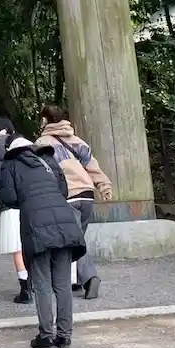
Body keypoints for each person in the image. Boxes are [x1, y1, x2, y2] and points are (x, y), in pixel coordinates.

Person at [0, 125, 85, 348]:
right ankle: (64, 336)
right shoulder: (47, 158)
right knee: (62, 283)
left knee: (42, 283)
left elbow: (8, 197)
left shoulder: (11, 163)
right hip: (64, 222)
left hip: (37, 224)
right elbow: (63, 189)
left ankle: (46, 336)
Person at [36, 103, 113, 301]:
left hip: (67, 196)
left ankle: (90, 277)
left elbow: (43, 173)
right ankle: (77, 280)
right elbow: (92, 166)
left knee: (72, 241)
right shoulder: (78, 142)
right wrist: (104, 186)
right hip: (87, 195)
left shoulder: (42, 144)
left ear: (44, 120)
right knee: (77, 238)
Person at [0, 116, 32, 302]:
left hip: (9, 204)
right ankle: (40, 282)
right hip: (32, 201)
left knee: (17, 248)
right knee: (34, 243)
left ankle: (25, 288)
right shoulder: (27, 146)